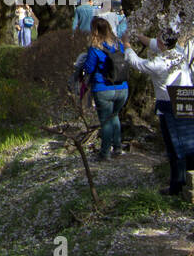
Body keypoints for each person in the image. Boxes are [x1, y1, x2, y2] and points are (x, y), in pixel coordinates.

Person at [124, 29, 194, 195]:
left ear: (163, 43)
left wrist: (126, 43)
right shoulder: (178, 52)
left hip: (169, 107)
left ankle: (178, 186)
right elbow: (155, 44)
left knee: (175, 148)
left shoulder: (159, 63)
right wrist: (140, 37)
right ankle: (183, 184)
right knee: (188, 145)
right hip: (187, 101)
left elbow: (137, 63)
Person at [82, 17, 129, 160]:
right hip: (122, 87)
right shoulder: (118, 45)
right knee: (114, 117)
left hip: (103, 88)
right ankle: (118, 147)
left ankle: (105, 153)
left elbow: (89, 68)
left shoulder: (95, 48)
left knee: (106, 122)